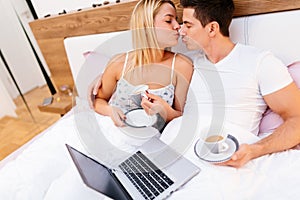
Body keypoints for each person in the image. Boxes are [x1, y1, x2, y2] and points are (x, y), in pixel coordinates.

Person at [179, 0, 300, 167]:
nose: (181, 30)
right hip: (181, 156)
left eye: (188, 25)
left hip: (223, 161)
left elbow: (297, 119)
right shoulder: (190, 64)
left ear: (212, 28)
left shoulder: (260, 62)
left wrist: (255, 150)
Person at [93, 0, 193, 127]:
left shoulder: (182, 66)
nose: (177, 26)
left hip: (153, 138)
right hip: (116, 132)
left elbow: (181, 116)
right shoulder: (118, 64)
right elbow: (98, 100)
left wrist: (166, 112)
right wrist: (109, 111)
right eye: (169, 20)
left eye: (176, 19)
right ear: (146, 26)